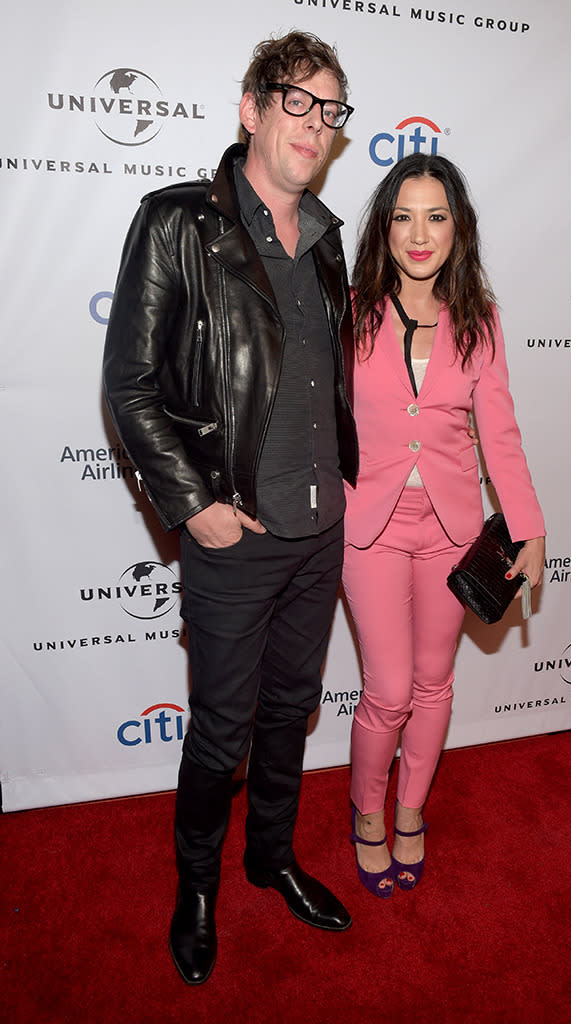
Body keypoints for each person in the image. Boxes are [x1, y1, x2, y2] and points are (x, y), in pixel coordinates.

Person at [103, 31, 358, 984]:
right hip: (234, 533)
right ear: (251, 108)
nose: (316, 125)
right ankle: (199, 884)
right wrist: (193, 504)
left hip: (320, 528)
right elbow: (128, 386)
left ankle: (273, 857)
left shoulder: (331, 241)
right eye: (298, 102)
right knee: (220, 726)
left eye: (331, 110)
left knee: (290, 711)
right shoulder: (178, 223)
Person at [343, 153, 545, 897]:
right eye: (403, 216)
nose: (419, 234)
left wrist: (528, 527)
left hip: (453, 527)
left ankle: (409, 811)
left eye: (436, 216)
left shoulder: (480, 322)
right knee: (388, 687)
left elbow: (502, 438)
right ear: (384, 227)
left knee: (434, 682)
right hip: (370, 524)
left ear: (458, 229)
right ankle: (366, 811)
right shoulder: (351, 310)